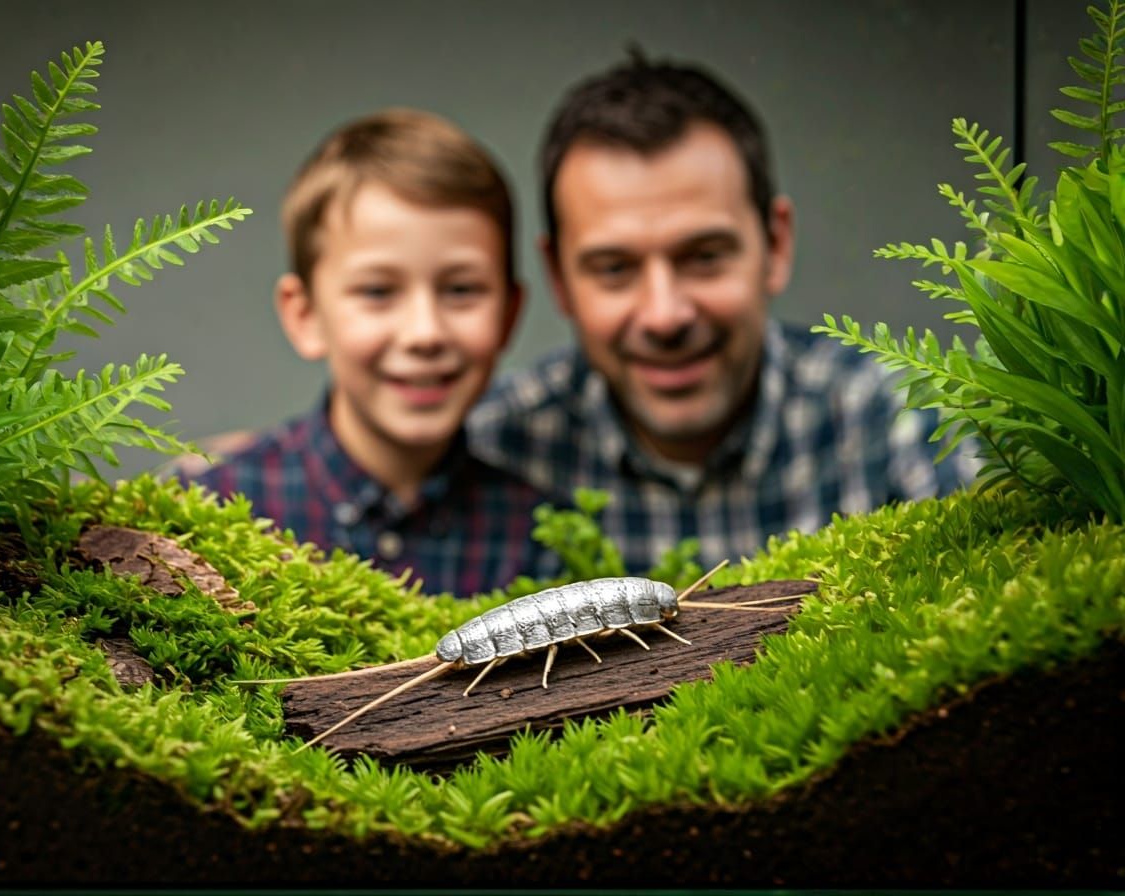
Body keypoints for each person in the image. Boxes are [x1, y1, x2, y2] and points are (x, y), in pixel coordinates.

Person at [467, 53, 979, 572]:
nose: (664, 316)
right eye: (614, 268)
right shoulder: (494, 446)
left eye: (705, 257)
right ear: (559, 278)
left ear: (775, 245)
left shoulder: (898, 419)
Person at [177, 108, 561, 596]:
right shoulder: (213, 506)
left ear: (509, 314)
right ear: (306, 316)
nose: (425, 333)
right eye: (378, 291)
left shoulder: (545, 540)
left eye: (462, 289)